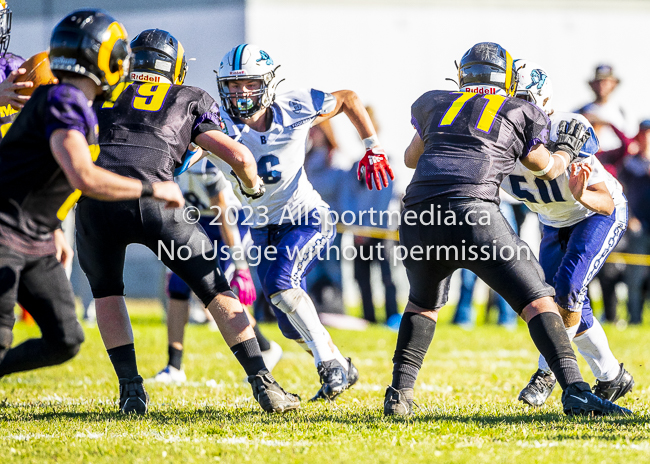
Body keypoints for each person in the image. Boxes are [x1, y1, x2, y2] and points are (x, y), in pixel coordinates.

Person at [383, 42, 631, 417]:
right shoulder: (520, 111)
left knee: (422, 303)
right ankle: (575, 389)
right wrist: (563, 153)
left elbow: (409, 158)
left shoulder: (436, 102)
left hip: (419, 215)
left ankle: (399, 394)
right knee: (541, 300)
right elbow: (546, 167)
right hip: (473, 214)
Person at [75, 29, 298, 414]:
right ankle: (265, 384)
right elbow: (239, 157)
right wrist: (253, 185)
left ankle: (130, 389)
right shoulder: (188, 97)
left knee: (108, 293)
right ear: (175, 68)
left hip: (99, 200)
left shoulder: (105, 93)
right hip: (158, 200)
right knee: (215, 290)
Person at [0, 10, 184, 383]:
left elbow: (39, 174)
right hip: (5, 232)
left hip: (33, 236)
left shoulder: (73, 103)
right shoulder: (65, 99)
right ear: (104, 59)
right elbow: (83, 177)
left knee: (66, 338)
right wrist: (152, 188)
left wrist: (50, 228)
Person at [214, 43, 394, 400]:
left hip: (306, 217)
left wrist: (372, 146)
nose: (240, 93)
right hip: (262, 226)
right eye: (233, 85)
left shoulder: (295, 106)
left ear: (267, 83)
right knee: (287, 322)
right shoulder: (215, 122)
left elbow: (347, 98)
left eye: (248, 83)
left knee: (283, 283)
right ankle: (341, 363)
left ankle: (328, 366)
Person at [503, 60, 633, 407]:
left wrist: (578, 194)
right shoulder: (494, 143)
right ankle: (611, 375)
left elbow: (605, 203)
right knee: (563, 301)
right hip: (552, 220)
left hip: (592, 213)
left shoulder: (568, 130)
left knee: (569, 288)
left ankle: (547, 372)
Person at [154, 156, 283, 383]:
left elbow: (223, 211)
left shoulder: (204, 160)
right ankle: (174, 366)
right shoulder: (167, 152)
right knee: (177, 286)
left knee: (217, 294)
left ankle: (265, 347)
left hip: (227, 222)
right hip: (194, 219)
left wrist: (241, 266)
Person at [619, 120, 650, 324]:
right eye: (644, 134)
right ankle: (634, 318)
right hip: (638, 226)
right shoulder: (629, 165)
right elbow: (619, 193)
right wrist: (629, 218)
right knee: (635, 276)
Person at [577, 65, 632, 151]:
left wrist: (603, 122)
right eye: (598, 81)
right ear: (592, 84)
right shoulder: (580, 111)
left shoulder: (621, 112)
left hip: (614, 160)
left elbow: (629, 141)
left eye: (605, 82)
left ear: (613, 84)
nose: (601, 85)